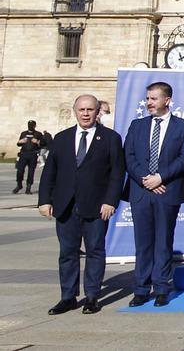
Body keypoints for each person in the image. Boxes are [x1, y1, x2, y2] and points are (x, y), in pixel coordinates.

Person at [38, 95, 125, 315]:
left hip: (97, 207)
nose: (85, 114)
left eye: (90, 109)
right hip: (66, 206)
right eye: (81, 110)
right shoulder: (62, 138)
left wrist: (110, 201)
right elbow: (50, 172)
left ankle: (93, 296)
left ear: (98, 112)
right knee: (67, 252)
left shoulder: (110, 138)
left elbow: (117, 173)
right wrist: (44, 200)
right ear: (75, 111)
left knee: (95, 251)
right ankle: (67, 297)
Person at [125, 81, 184, 307]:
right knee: (143, 242)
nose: (149, 103)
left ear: (167, 100)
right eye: (147, 99)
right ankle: (141, 289)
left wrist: (160, 178)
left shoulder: (183, 126)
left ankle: (162, 287)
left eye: (153, 99)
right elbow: (130, 155)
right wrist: (147, 179)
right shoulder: (137, 125)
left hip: (167, 191)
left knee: (164, 241)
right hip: (142, 190)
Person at [15, 120, 43, 194]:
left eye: (32, 125)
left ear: (34, 125)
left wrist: (37, 142)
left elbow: (43, 144)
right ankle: (19, 185)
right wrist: (20, 142)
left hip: (32, 155)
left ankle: (28, 187)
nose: (30, 126)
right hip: (23, 154)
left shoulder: (38, 134)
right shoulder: (23, 133)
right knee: (20, 170)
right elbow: (19, 143)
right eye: (29, 125)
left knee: (31, 172)